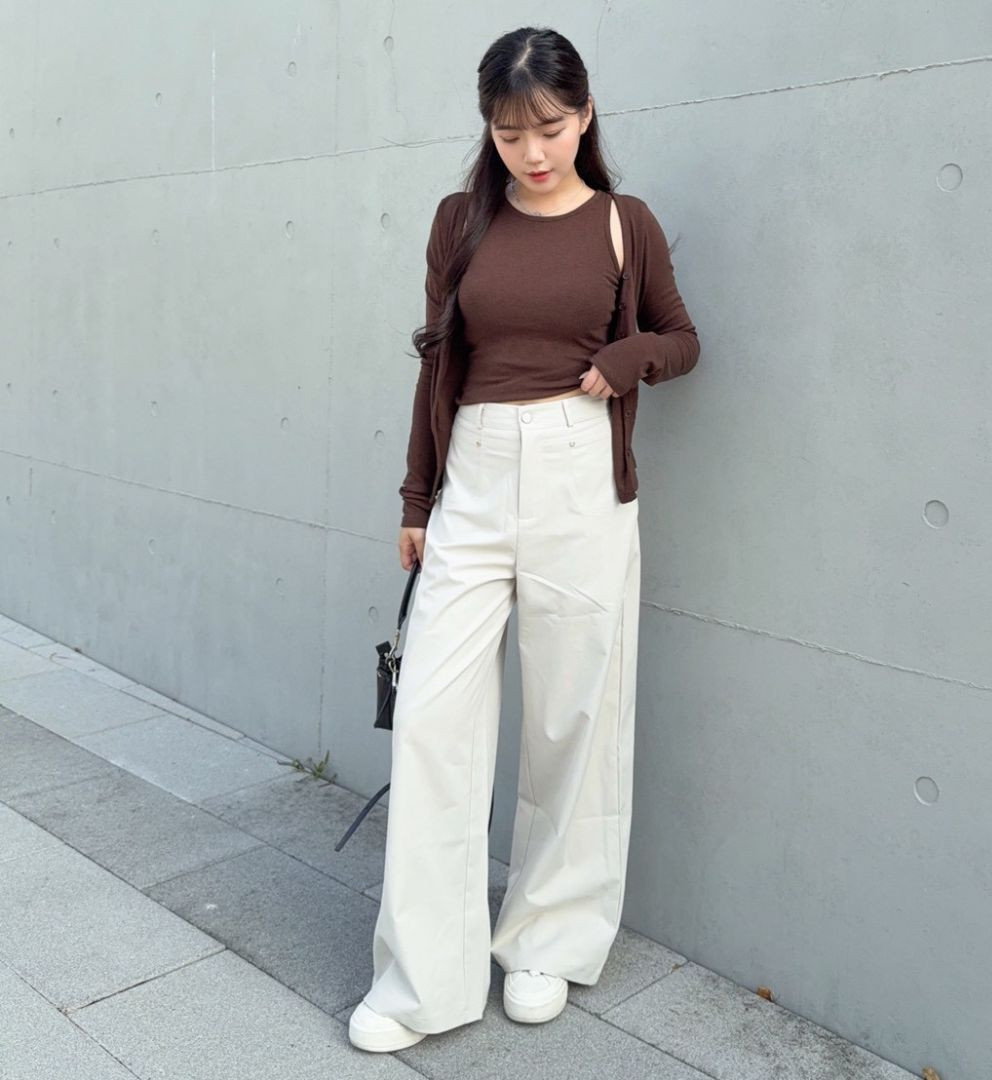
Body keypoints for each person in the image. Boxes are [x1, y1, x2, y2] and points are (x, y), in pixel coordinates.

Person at [349, 25, 701, 1054]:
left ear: (585, 116)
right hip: (472, 466)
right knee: (433, 718)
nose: (532, 152)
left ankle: (547, 940)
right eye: (509, 134)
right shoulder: (461, 221)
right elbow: (437, 363)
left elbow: (684, 338)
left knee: (571, 714)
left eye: (548, 128)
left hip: (580, 468)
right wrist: (417, 498)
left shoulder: (626, 226)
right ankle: (423, 980)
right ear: (489, 131)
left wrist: (628, 360)